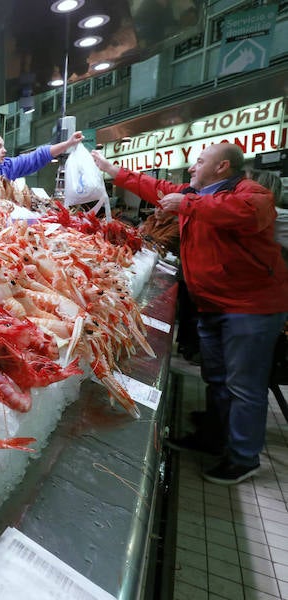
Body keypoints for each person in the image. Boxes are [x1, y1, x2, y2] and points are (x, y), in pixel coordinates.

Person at [91, 143, 288, 485]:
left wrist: (189, 204)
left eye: (199, 162)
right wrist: (110, 169)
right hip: (211, 304)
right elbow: (156, 188)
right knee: (217, 376)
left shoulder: (251, 193)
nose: (192, 168)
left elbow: (246, 213)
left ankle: (243, 457)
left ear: (222, 167)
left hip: (250, 308)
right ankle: (214, 435)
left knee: (244, 385)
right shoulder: (193, 193)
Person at [0, 130, 84, 180]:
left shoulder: (8, 166)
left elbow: (38, 156)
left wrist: (68, 143)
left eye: (3, 146)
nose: (4, 150)